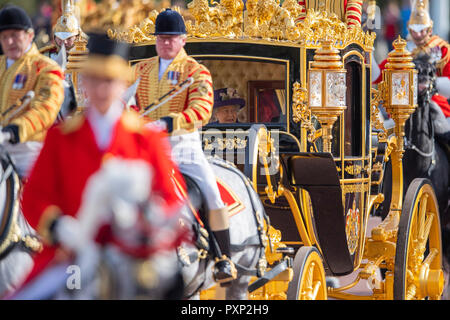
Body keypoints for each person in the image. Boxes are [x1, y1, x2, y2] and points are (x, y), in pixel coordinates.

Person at [15, 33, 186, 299]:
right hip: (71, 254)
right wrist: (58, 227)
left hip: (132, 257)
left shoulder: (147, 139)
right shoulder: (60, 138)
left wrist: (143, 224)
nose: (102, 90)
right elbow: (35, 195)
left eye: (109, 81)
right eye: (95, 81)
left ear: (123, 84)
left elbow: (170, 197)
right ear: (84, 83)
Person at [131, 8, 237, 286]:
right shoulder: (140, 70)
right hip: (146, 146)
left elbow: (202, 109)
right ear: (155, 40)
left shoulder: (196, 71)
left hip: (183, 147)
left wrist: (170, 123)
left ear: (183, 40)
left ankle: (222, 257)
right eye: (161, 38)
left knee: (212, 193)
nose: (166, 43)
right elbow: (126, 101)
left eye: (172, 38)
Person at [0, 5, 64, 178]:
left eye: (14, 35)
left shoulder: (45, 67)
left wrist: (16, 130)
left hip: (27, 149)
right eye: (4, 37)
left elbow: (46, 107)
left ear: (30, 35)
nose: (9, 42)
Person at [374, 0, 450, 118]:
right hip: (402, 108)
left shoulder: (442, 49)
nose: (418, 35)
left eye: (421, 31)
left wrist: (429, 83)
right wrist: (368, 52)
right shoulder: (402, 51)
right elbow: (378, 75)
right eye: (414, 31)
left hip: (433, 104)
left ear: (429, 30)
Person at [40, 0, 86, 121]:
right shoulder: (46, 55)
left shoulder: (88, 56)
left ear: (77, 36)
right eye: (59, 38)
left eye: (68, 38)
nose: (64, 42)